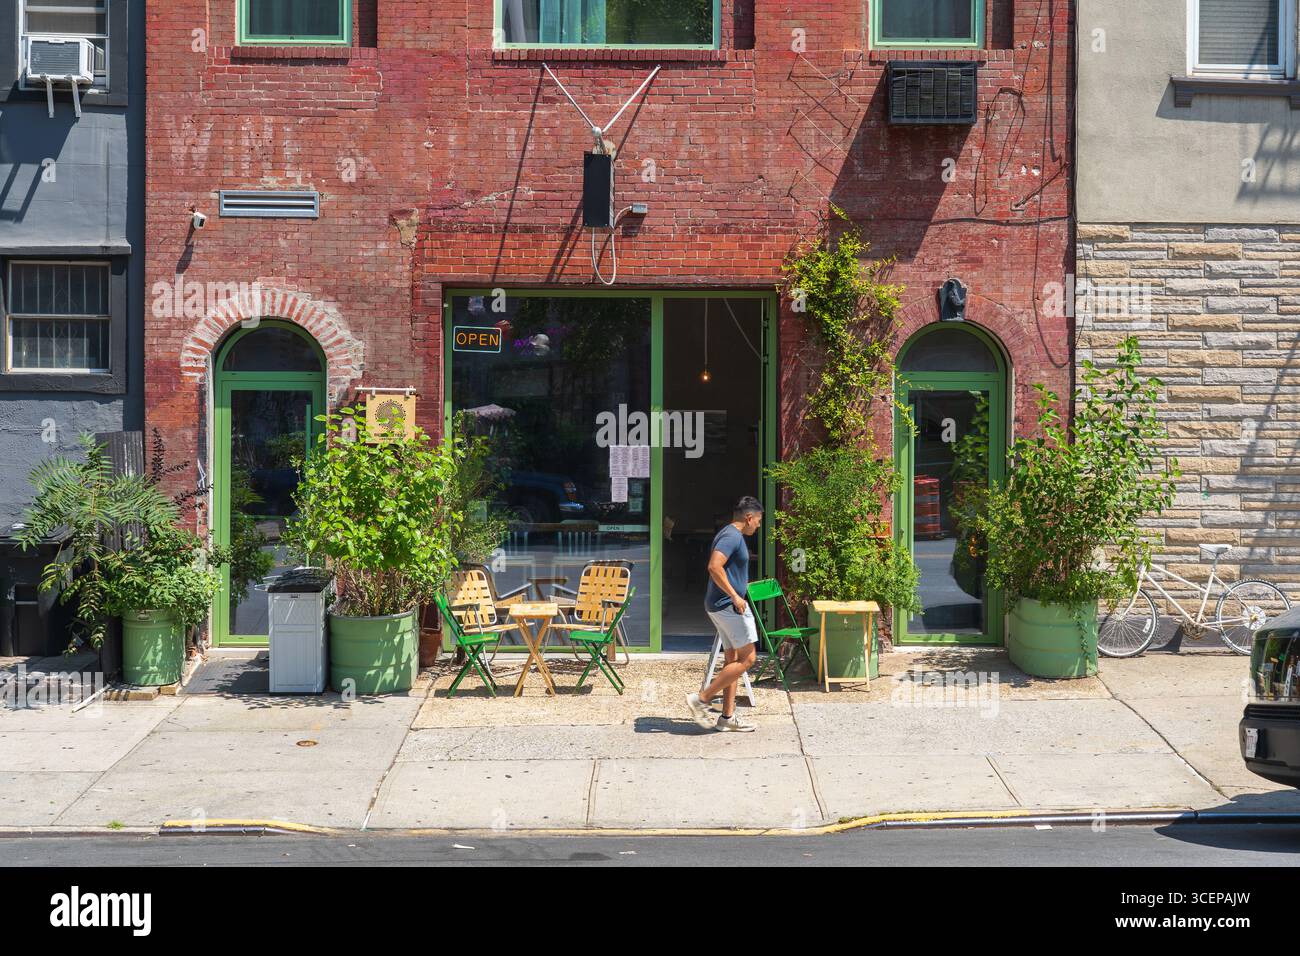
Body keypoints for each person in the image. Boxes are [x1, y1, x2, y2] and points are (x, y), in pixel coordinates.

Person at [686, 496, 763, 732]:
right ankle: (701, 699)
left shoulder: (728, 533)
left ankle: (727, 718)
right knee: (748, 659)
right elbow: (714, 566)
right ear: (748, 518)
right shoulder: (732, 536)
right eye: (758, 521)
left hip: (720, 605)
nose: (758, 525)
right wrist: (735, 596)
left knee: (732, 660)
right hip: (728, 607)